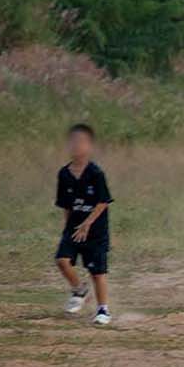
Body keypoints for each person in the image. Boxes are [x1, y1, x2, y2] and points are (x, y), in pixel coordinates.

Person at [54, 124, 114, 326]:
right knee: (62, 260)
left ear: (89, 146)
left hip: (95, 231)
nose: (76, 145)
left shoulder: (96, 173)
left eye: (81, 142)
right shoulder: (63, 174)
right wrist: (67, 228)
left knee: (97, 272)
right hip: (74, 228)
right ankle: (79, 289)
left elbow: (103, 201)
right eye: (73, 141)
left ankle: (103, 309)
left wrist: (87, 224)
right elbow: (66, 205)